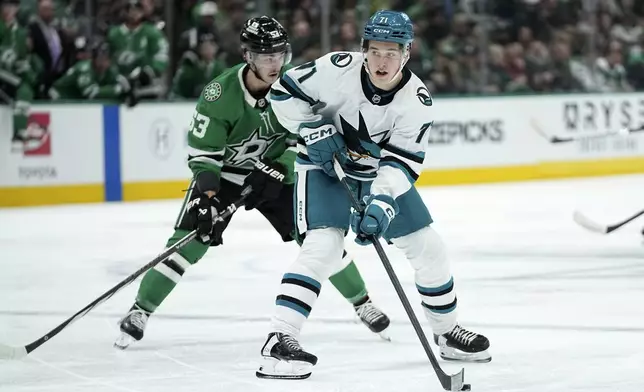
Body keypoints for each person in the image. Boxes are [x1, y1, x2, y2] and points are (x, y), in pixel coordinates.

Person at [114, 16, 391, 350]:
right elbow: (204, 153)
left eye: (279, 55)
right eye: (265, 57)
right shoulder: (220, 94)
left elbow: (307, 136)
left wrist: (280, 167)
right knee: (190, 239)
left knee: (319, 237)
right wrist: (207, 195)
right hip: (226, 177)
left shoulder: (295, 86)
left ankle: (363, 303)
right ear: (248, 56)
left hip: (277, 173)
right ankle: (140, 310)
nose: (274, 64)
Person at [257, 10, 491, 380]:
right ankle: (279, 339)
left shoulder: (416, 101)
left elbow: (402, 163)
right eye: (376, 51)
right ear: (364, 49)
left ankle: (447, 333)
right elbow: (282, 95)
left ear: (407, 54)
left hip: (375, 176)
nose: (382, 61)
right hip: (323, 168)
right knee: (324, 246)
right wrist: (310, 128)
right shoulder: (336, 69)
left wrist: (381, 204)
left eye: (392, 53)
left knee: (429, 247)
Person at [48, 40, 132, 100]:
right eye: (100, 57)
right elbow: (90, 93)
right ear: (94, 58)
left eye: (106, 57)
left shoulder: (111, 70)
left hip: (76, 100)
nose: (103, 61)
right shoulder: (84, 69)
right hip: (60, 97)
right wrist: (116, 90)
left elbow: (121, 83)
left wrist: (126, 91)